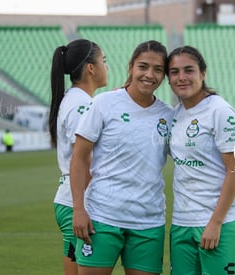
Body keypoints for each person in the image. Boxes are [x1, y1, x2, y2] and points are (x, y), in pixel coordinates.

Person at [70, 40, 173, 275]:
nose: (150, 75)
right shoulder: (104, 103)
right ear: (131, 67)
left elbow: (191, 157)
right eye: (143, 67)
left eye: (158, 70)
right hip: (102, 217)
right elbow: (78, 157)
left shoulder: (169, 116)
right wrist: (78, 209)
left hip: (148, 222)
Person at [166, 45, 235, 275]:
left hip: (221, 223)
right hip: (182, 223)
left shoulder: (220, 111)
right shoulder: (174, 115)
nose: (181, 77)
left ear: (203, 73)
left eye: (188, 70)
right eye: (174, 72)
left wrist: (215, 223)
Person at [49, 38, 108, 275]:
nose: (106, 66)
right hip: (77, 201)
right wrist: (81, 208)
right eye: (104, 61)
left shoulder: (79, 101)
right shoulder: (80, 105)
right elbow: (84, 159)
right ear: (91, 68)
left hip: (72, 198)